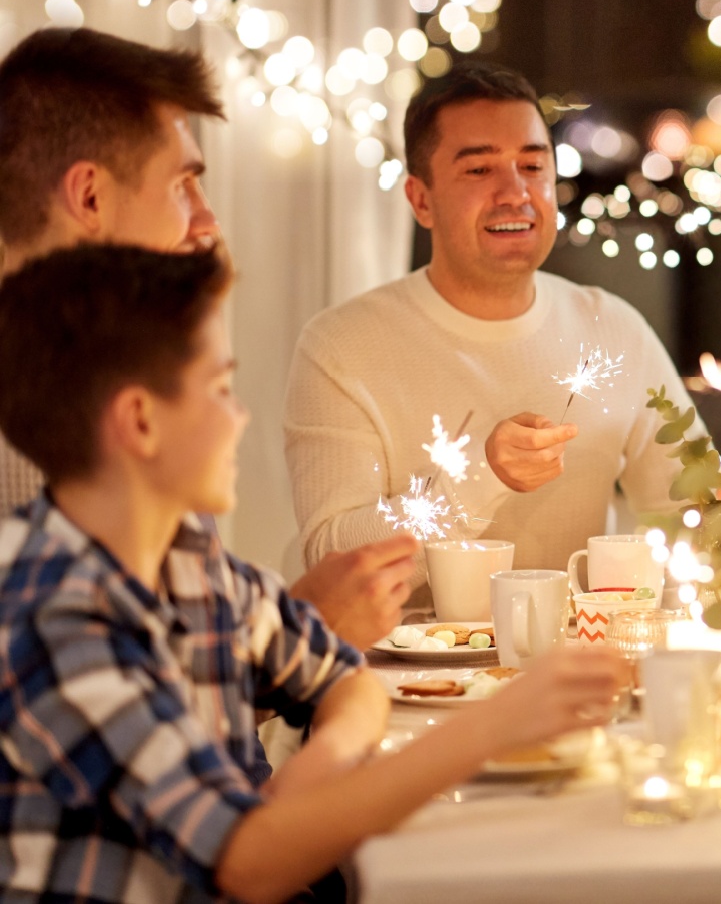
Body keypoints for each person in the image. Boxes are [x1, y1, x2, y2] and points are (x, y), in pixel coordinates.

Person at [0, 245, 628, 903]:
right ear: (139, 421)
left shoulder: (181, 556)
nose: (239, 418)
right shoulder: (50, 610)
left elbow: (340, 674)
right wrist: (494, 726)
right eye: (220, 390)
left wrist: (298, 786)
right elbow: (247, 864)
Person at [0, 26, 412, 650]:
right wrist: (308, 626)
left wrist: (291, 625)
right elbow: (115, 698)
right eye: (180, 185)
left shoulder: (132, 359)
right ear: (89, 196)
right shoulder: (42, 417)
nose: (207, 218)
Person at [285, 63, 700, 585]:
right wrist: (479, 478)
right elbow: (330, 560)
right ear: (420, 199)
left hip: (577, 658)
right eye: (479, 171)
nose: (515, 193)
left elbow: (692, 515)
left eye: (532, 167)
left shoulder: (612, 328)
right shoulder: (343, 346)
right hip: (403, 666)